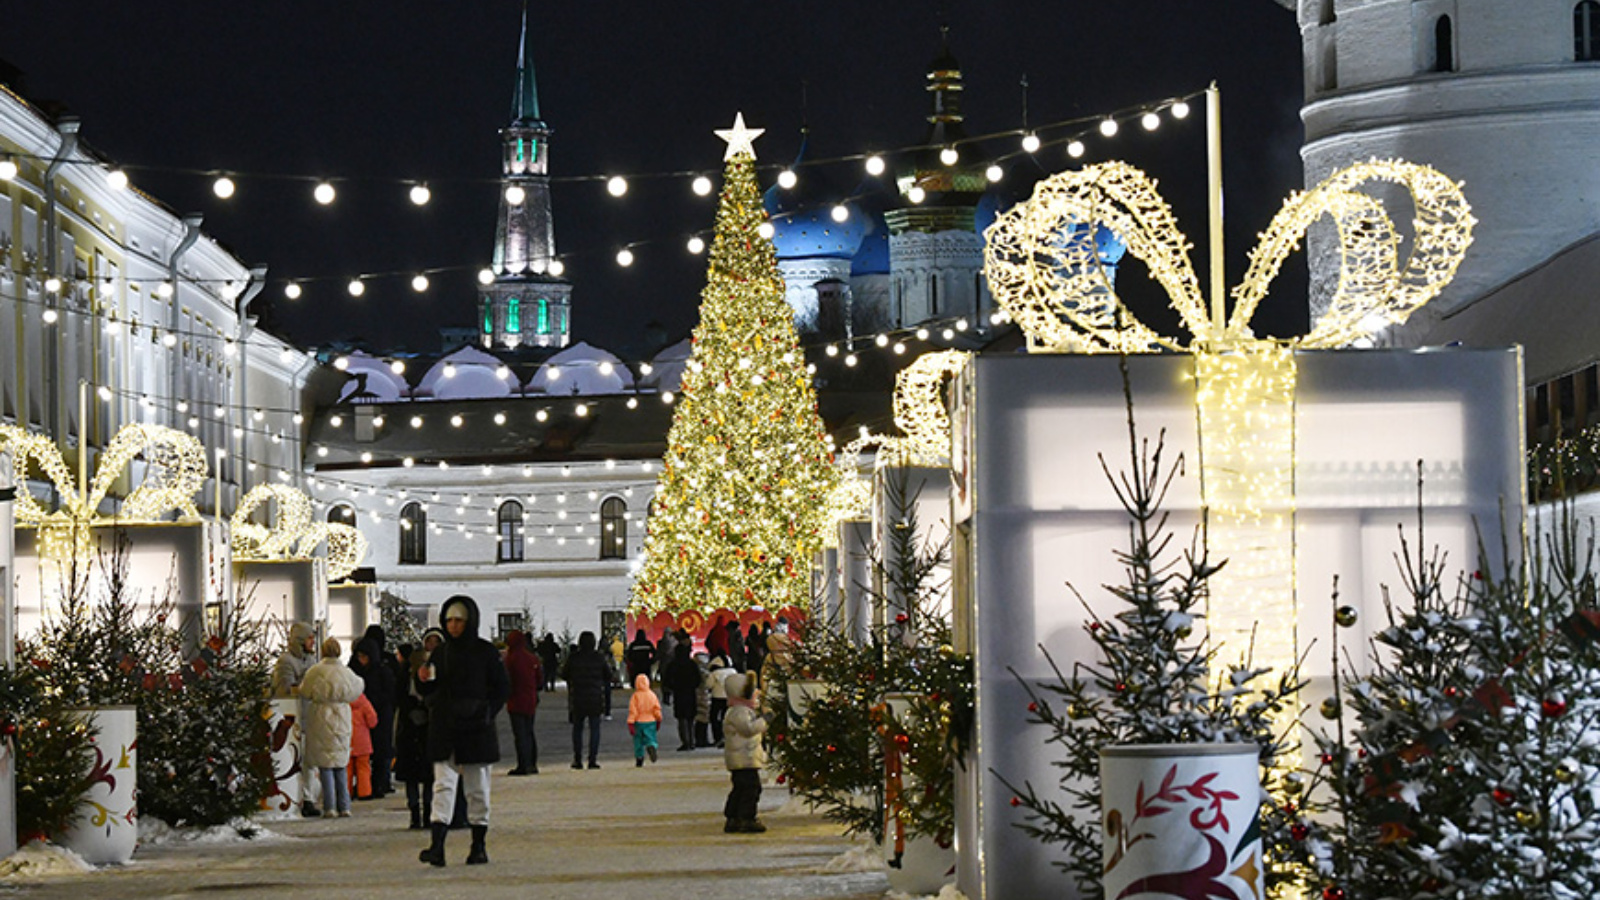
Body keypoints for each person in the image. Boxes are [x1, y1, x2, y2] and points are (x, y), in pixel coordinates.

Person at [417, 595, 509, 868]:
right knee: (442, 786)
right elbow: (430, 690)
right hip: (445, 727)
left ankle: (478, 845)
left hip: (475, 728)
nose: (454, 626)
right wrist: (422, 683)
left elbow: (501, 688)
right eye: (449, 621)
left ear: (469, 621)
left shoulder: (485, 652)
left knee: (477, 788)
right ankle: (437, 846)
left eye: (458, 620)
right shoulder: (441, 653)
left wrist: (486, 712)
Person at [300, 637, 366, 819]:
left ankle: (329, 807)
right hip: (342, 715)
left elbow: (304, 691)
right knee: (340, 763)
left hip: (320, 715)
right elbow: (358, 687)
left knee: (325, 765)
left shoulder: (315, 671)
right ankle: (345, 806)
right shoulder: (346, 672)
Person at [272, 621, 323, 817]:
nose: (313, 642)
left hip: (309, 714)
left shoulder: (311, 661)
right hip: (293, 716)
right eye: (310, 638)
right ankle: (295, 797)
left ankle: (309, 798)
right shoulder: (285, 662)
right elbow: (284, 689)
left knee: (310, 760)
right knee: (295, 759)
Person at [349, 633, 396, 799]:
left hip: (381, 716)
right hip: (360, 719)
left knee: (380, 753)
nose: (362, 660)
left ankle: (378, 785)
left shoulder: (383, 671)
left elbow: (390, 693)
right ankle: (363, 787)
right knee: (361, 756)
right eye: (359, 656)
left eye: (365, 657)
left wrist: (371, 701)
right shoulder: (353, 670)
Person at [722, 672, 770, 833]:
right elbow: (748, 729)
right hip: (744, 759)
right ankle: (746, 817)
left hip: (742, 758)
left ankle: (734, 816)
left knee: (740, 787)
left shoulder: (738, 710)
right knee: (751, 788)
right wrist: (765, 721)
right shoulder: (739, 711)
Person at [395, 648, 433, 829]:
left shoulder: (404, 679)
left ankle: (417, 814)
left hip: (411, 732)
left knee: (417, 778)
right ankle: (423, 813)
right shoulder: (415, 679)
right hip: (421, 733)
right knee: (425, 777)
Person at [564, 631, 610, 769]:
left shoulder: (574, 658)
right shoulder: (599, 658)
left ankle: (577, 759)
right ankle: (592, 759)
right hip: (595, 696)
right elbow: (608, 674)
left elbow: (564, 673)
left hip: (578, 696)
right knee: (595, 729)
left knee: (578, 729)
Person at [502, 630, 542, 776]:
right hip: (530, 699)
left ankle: (523, 764)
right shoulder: (532, 658)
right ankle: (532, 763)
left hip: (515, 700)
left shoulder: (510, 659)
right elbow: (539, 680)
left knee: (520, 734)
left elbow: (505, 680)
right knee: (529, 732)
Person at [662, 642, 701, 752]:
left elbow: (667, 680)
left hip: (679, 693)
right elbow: (698, 679)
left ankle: (686, 741)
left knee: (681, 718)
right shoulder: (692, 664)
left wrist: (671, 689)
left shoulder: (673, 665)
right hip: (691, 693)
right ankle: (692, 741)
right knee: (690, 718)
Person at [348, 688, 379, 801]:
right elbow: (373, 721)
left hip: (347, 740)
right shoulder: (364, 703)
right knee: (364, 768)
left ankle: (347, 792)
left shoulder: (344, 703)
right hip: (363, 742)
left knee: (347, 769)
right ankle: (364, 793)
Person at [626, 673, 662, 767]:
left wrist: (630, 722)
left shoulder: (635, 696)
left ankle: (639, 757)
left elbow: (633, 711)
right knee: (651, 737)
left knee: (638, 741)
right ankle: (652, 746)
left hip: (638, 722)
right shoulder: (652, 695)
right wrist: (658, 719)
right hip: (651, 721)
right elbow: (656, 709)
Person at [707, 651, 735, 747]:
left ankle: (718, 737)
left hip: (717, 697)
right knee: (727, 718)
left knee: (714, 718)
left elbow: (708, 685)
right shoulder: (733, 671)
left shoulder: (715, 673)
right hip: (730, 697)